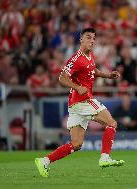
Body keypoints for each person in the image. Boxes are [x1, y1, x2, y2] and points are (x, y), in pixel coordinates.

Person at [35, 28, 124, 178]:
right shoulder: (76, 58)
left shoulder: (89, 56)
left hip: (75, 105)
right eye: (88, 37)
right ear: (81, 40)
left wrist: (108, 75)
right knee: (112, 123)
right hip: (83, 100)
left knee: (76, 144)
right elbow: (62, 78)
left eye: (94, 38)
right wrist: (77, 87)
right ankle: (105, 158)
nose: (92, 41)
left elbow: (92, 70)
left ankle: (44, 161)